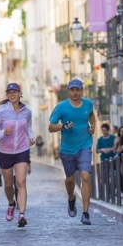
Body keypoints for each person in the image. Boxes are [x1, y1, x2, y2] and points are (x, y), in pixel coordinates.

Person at [48, 78, 95, 225]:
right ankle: (71, 198)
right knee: (70, 179)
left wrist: (92, 127)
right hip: (67, 149)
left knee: (85, 176)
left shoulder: (88, 104)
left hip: (85, 145)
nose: (75, 93)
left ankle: (86, 213)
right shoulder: (61, 107)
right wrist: (63, 126)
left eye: (78, 90)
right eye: (72, 90)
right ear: (68, 91)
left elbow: (91, 115)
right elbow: (51, 127)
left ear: (82, 91)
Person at [0, 83, 35, 227]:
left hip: (22, 150)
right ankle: (11, 203)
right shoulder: (1, 111)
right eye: (9, 92)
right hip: (4, 152)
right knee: (9, 184)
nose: (12, 94)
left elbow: (28, 127)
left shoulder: (26, 111)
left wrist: (31, 137)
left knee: (20, 182)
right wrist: (3, 133)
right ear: (7, 95)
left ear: (20, 93)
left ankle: (21, 215)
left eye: (15, 92)